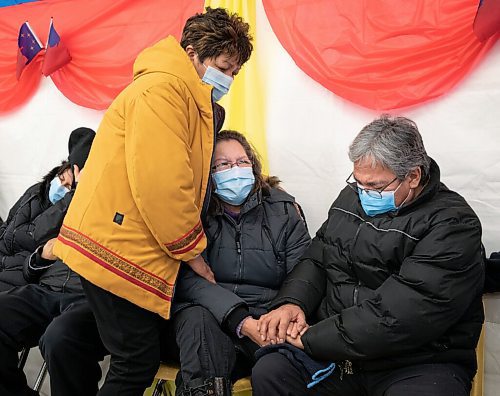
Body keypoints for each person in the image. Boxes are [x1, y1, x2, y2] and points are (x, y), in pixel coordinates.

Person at [52, 8, 253, 395]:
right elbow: (163, 184)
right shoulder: (163, 90)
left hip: (127, 243)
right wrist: (193, 250)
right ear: (193, 52)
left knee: (127, 353)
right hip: (118, 244)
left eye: (234, 73)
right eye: (223, 68)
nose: (227, 79)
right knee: (135, 362)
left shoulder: (184, 96)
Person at [254, 115, 484, 396]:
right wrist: (292, 303)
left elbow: (402, 315)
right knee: (273, 372)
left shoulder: (452, 224)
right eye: (358, 182)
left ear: (413, 176)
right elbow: (318, 258)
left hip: (418, 361)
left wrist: (313, 338)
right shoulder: (350, 199)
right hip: (341, 354)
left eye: (375, 187)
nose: (364, 193)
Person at [0, 127, 95, 396]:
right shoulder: (38, 194)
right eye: (63, 179)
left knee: (60, 338)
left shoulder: (111, 203)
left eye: (71, 183)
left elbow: (25, 236)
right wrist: (41, 255)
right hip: (44, 287)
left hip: (87, 296)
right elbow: (16, 238)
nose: (64, 187)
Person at [0, 127, 95, 292]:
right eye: (61, 178)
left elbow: (39, 236)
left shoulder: (72, 213)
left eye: (68, 187)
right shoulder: (36, 191)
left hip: (18, 275)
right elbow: (8, 223)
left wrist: (75, 195)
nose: (60, 187)